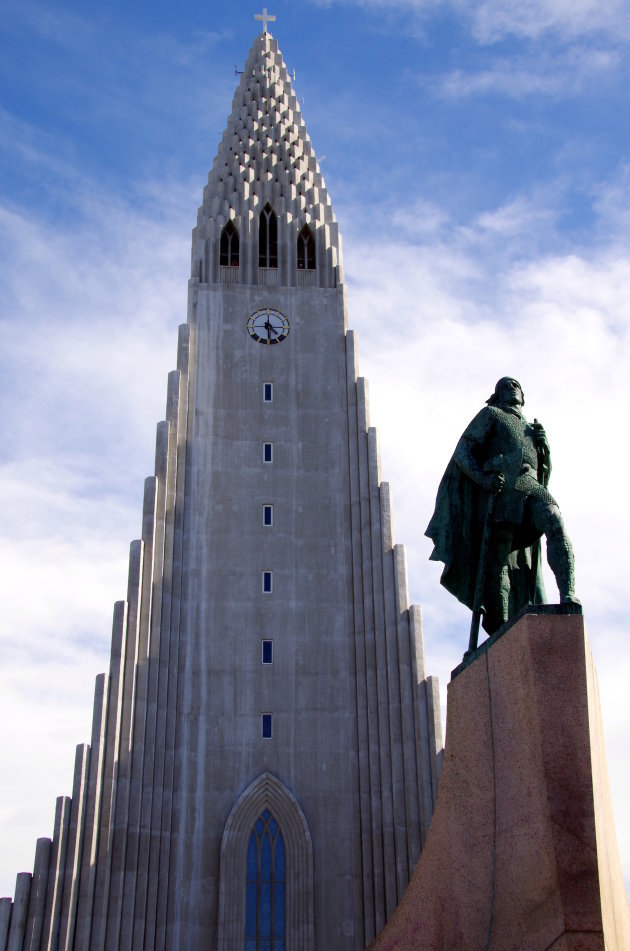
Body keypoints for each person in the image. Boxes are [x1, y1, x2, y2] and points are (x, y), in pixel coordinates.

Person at [425, 377, 578, 636]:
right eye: (504, 386)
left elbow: (543, 472)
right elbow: (463, 451)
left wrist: (544, 448)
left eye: (515, 385)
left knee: (555, 520)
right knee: (499, 558)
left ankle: (569, 594)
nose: (511, 388)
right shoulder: (491, 414)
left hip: (531, 486)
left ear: (523, 395)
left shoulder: (531, 428)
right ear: (496, 395)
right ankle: (503, 626)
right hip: (504, 491)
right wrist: (483, 478)